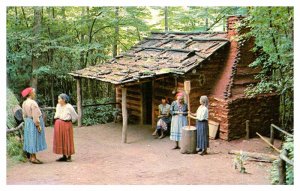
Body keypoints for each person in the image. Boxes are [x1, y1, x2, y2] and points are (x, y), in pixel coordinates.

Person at [21, 87, 47, 164]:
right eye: (34, 92)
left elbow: (24, 115)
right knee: (34, 139)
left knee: (30, 138)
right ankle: (33, 158)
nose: (35, 93)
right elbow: (35, 116)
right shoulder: (33, 103)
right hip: (33, 122)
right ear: (30, 93)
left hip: (28, 122)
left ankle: (32, 156)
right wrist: (38, 125)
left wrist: (27, 121)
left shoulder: (24, 103)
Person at [53, 93, 78, 162]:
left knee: (67, 139)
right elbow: (57, 114)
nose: (58, 100)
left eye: (59, 98)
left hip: (66, 124)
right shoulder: (58, 106)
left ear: (64, 100)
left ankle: (69, 156)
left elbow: (75, 116)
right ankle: (64, 156)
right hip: (58, 124)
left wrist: (70, 121)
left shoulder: (69, 106)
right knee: (61, 140)